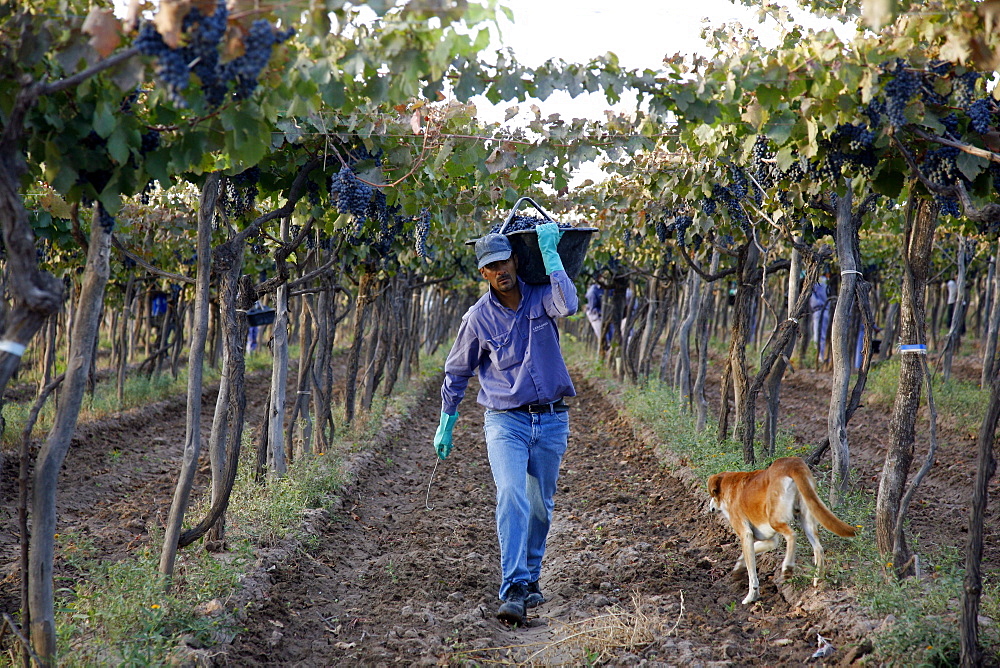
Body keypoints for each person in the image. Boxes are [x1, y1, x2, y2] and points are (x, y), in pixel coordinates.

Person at [433, 222, 578, 627]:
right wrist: (447, 420)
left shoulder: (541, 298)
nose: (500, 270)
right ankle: (513, 586)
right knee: (512, 494)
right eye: (491, 266)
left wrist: (552, 255)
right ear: (483, 273)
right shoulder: (478, 318)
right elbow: (457, 371)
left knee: (540, 507)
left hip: (551, 420)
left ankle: (531, 577)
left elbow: (568, 305)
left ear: (516, 260)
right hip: (505, 422)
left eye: (504, 261)